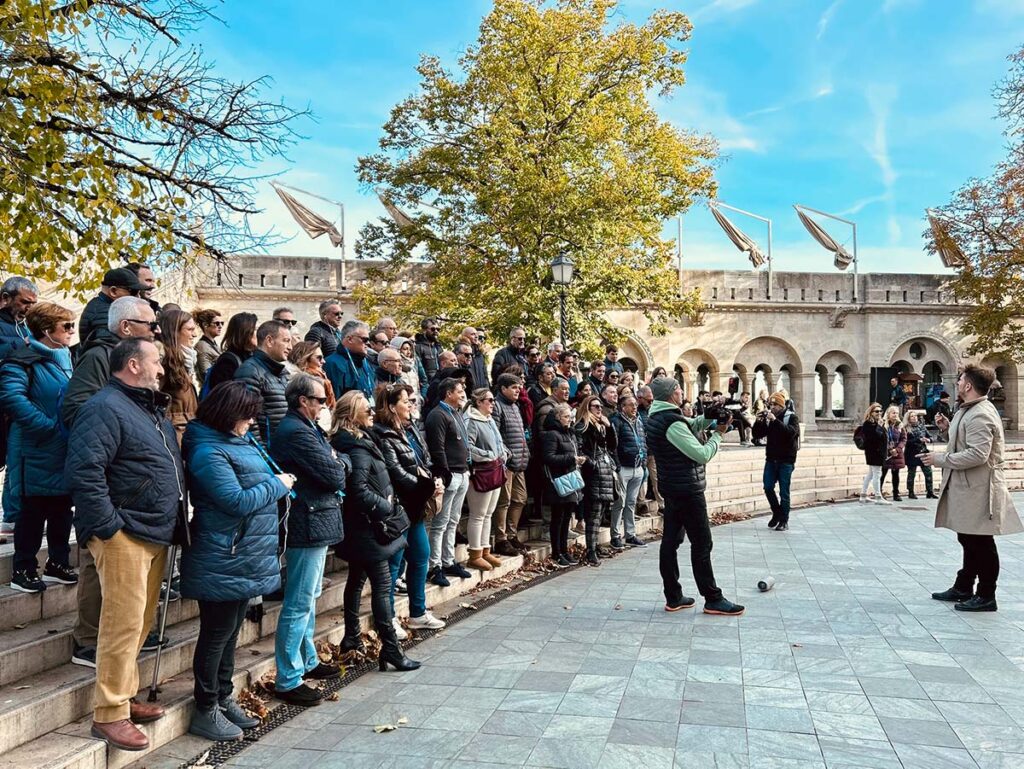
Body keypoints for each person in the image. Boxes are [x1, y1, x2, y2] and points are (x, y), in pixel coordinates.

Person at [64, 338, 183, 751]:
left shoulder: (148, 408)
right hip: (125, 533)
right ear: (133, 365)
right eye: (156, 362)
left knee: (140, 622)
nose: (162, 369)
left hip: (154, 531)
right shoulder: (104, 407)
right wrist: (109, 528)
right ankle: (109, 713)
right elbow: (85, 470)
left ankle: (125, 695)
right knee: (122, 623)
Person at [179, 382, 293, 740]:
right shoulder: (206, 449)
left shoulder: (237, 442)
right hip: (222, 554)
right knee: (216, 634)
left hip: (245, 554)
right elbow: (235, 500)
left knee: (230, 633)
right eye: (246, 416)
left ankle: (223, 697)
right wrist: (278, 484)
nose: (251, 422)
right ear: (228, 414)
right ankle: (205, 705)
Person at [60, 297, 159, 666]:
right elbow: (76, 409)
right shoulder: (100, 357)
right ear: (126, 327)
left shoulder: (131, 363)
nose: (156, 331)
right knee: (93, 560)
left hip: (129, 484)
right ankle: (87, 640)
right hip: (108, 483)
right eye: (150, 325)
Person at [269, 374, 350, 704]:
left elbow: (338, 463)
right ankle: (288, 677)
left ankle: (308, 660)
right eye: (319, 399)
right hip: (306, 520)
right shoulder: (294, 432)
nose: (323, 405)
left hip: (315, 518)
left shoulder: (307, 428)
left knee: (309, 595)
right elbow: (335, 473)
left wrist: (336, 461)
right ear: (303, 400)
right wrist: (336, 462)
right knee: (299, 600)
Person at [922, 364, 1023, 612]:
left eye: (959, 380)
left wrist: (940, 460)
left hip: (980, 488)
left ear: (968, 385)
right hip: (969, 487)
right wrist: (947, 429)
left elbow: (978, 454)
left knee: (980, 542)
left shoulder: (981, 414)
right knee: (968, 536)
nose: (956, 384)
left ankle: (986, 594)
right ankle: (964, 585)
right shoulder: (968, 410)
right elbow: (964, 444)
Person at [330, 391, 419, 671]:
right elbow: (358, 490)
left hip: (363, 527)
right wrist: (385, 506)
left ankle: (352, 638)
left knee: (356, 580)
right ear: (350, 415)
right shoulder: (356, 447)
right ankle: (390, 649)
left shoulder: (360, 440)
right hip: (368, 528)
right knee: (381, 586)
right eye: (365, 409)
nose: (371, 412)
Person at [646, 377, 744, 616]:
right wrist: (718, 434)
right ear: (671, 394)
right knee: (702, 543)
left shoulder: (658, 416)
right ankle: (713, 598)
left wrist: (710, 415)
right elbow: (700, 454)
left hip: (672, 488)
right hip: (687, 490)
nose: (682, 392)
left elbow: (691, 424)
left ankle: (674, 597)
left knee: (671, 542)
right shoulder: (671, 422)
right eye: (678, 388)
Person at [0, 302, 77, 592]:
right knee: (32, 510)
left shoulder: (64, 359)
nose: (72, 331)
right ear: (47, 330)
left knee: (61, 507)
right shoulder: (21, 360)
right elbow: (12, 398)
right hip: (34, 447)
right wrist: (48, 427)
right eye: (66, 326)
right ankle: (23, 568)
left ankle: (57, 562)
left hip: (60, 447)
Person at [374, 383, 446, 632]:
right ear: (392, 407)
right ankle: (389, 618)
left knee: (420, 556)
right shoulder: (382, 434)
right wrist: (427, 486)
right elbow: (396, 473)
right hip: (398, 508)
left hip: (415, 507)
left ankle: (418, 612)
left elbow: (423, 459)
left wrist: (434, 479)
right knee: (394, 563)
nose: (412, 405)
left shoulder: (409, 429)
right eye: (406, 401)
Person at [424, 378, 471, 586]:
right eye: (459, 391)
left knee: (453, 520)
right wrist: (445, 474)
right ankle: (435, 566)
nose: (463, 394)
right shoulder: (437, 415)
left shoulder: (456, 413)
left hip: (463, 473)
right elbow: (438, 448)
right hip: (450, 475)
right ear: (448, 393)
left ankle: (448, 559)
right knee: (440, 523)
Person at [464, 387, 508, 571]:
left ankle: (485, 549)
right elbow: (468, 447)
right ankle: (474, 553)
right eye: (489, 400)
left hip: (495, 470)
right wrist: (489, 455)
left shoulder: (488, 419)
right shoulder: (471, 421)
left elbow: (498, 442)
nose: (493, 403)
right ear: (479, 402)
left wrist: (504, 452)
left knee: (489, 513)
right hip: (481, 473)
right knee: (478, 514)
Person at [574, 394, 617, 567]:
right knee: (593, 513)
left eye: (600, 406)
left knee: (600, 513)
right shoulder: (583, 426)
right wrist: (592, 464)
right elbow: (579, 449)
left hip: (605, 473)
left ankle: (595, 546)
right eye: (595, 406)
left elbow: (613, 446)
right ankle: (590, 551)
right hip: (592, 474)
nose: (600, 409)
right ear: (587, 407)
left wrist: (610, 427)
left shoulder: (601, 426)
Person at [234, 320, 292, 448]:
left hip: (286, 448)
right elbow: (247, 419)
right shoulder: (249, 371)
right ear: (269, 341)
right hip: (270, 452)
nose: (290, 347)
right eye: (286, 341)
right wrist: (264, 453)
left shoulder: (282, 372)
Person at [542, 403, 584, 567]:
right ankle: (556, 552)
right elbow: (548, 458)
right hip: (558, 480)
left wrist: (579, 459)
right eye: (566, 417)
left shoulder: (570, 434)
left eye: (570, 416)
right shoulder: (551, 435)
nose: (570, 420)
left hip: (571, 478)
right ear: (558, 418)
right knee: (557, 518)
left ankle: (564, 550)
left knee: (567, 517)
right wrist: (571, 459)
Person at [491, 373, 530, 554]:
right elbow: (496, 435)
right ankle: (501, 539)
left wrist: (525, 453)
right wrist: (507, 455)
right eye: (514, 387)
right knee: (504, 501)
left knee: (520, 499)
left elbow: (521, 433)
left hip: (520, 461)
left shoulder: (515, 406)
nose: (518, 390)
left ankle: (512, 534)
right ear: (503, 388)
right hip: (506, 464)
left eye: (519, 387)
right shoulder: (498, 406)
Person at [753, 392, 800, 531]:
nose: (772, 407)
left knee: (784, 492)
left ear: (781, 405)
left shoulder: (791, 417)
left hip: (786, 460)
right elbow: (757, 435)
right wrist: (758, 421)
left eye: (775, 405)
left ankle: (784, 520)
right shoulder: (770, 419)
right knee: (768, 487)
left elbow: (790, 434)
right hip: (771, 459)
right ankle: (777, 513)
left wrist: (775, 421)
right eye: (770, 404)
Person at [610, 391, 647, 549]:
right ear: (622, 407)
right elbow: (613, 446)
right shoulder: (616, 421)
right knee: (620, 502)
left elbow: (643, 440)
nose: (635, 407)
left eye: (636, 405)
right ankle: (615, 535)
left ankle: (630, 534)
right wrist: (617, 466)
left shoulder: (638, 421)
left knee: (631, 503)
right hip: (623, 468)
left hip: (638, 467)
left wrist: (643, 461)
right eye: (631, 405)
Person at [159, 309, 199, 444]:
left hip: (186, 428)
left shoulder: (184, 358)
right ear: (174, 331)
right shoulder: (164, 359)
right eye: (190, 330)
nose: (194, 334)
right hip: (173, 432)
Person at [77, 269, 145, 346]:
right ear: (113, 291)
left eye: (139, 293)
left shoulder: (103, 307)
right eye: (133, 292)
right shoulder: (104, 314)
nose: (138, 297)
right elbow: (116, 349)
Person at [324, 319, 376, 402]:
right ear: (350, 339)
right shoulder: (332, 364)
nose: (368, 343)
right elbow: (333, 401)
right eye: (365, 339)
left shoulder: (366, 363)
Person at [204, 312, 257, 393]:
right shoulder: (227, 362)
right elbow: (223, 397)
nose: (258, 333)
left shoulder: (252, 356)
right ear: (245, 332)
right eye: (255, 329)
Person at [289, 341, 336, 410]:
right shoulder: (300, 383)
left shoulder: (321, 378)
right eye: (319, 358)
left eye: (322, 358)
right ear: (304, 359)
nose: (323, 361)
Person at [858, 403, 889, 503]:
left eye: (880, 411)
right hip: (874, 452)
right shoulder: (868, 424)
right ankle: (878, 497)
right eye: (876, 411)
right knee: (877, 474)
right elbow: (873, 438)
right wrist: (879, 427)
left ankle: (863, 495)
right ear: (871, 413)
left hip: (879, 452)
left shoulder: (877, 423)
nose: (879, 413)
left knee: (871, 474)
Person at [905, 411, 936, 499]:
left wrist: (928, 440)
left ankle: (930, 491)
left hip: (923, 451)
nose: (914, 417)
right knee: (911, 473)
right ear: (908, 418)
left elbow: (931, 437)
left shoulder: (921, 426)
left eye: (915, 416)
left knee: (928, 472)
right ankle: (910, 492)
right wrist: (918, 440)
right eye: (912, 416)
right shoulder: (906, 428)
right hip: (912, 453)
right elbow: (906, 441)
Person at [879, 406, 907, 502]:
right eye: (893, 413)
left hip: (897, 453)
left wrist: (898, 449)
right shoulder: (883, 425)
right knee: (882, 473)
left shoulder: (900, 425)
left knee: (896, 474)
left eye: (897, 413)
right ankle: (879, 492)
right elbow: (881, 439)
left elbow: (903, 439)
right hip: (886, 453)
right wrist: (890, 449)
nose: (895, 415)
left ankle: (896, 493)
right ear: (888, 414)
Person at [192, 309, 222, 383]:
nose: (220, 326)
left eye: (222, 323)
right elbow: (206, 375)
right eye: (217, 323)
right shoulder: (202, 346)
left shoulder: (212, 344)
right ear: (205, 325)